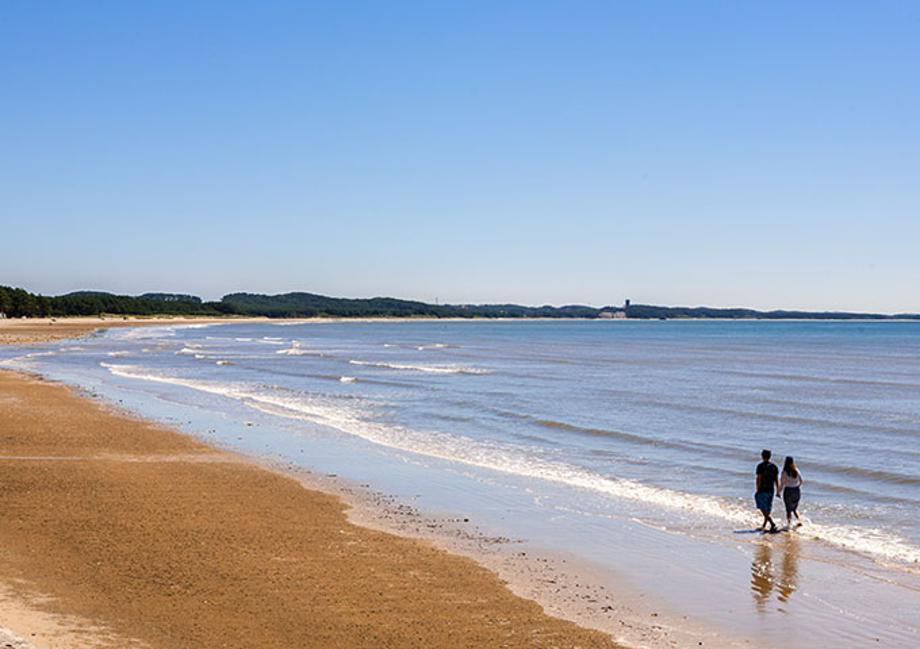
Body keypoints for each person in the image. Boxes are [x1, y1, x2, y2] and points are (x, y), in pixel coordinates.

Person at [754, 449, 780, 532]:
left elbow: (759, 478)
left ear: (762, 456)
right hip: (771, 489)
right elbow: (776, 479)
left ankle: (772, 523)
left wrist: (758, 489)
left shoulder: (760, 466)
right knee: (767, 508)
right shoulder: (774, 467)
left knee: (762, 507)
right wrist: (778, 490)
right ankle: (764, 525)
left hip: (762, 489)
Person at [779, 456, 804, 528]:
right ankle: (799, 521)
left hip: (788, 491)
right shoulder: (796, 470)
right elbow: (801, 481)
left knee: (788, 509)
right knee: (794, 508)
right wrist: (797, 487)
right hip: (796, 490)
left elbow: (782, 483)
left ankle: (789, 524)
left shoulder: (784, 472)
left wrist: (778, 492)